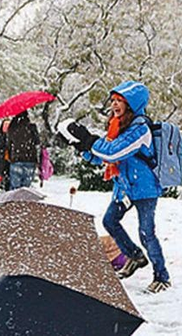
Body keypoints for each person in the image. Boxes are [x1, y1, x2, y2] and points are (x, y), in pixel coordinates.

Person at [65, 80, 171, 293]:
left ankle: (162, 276)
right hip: (124, 186)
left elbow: (113, 152)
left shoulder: (140, 130)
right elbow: (102, 158)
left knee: (146, 232)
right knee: (110, 221)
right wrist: (81, 146)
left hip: (144, 187)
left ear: (132, 104)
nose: (114, 105)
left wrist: (88, 139)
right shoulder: (118, 126)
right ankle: (135, 256)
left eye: (120, 101)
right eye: (113, 100)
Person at [6, 111, 40, 190]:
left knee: (15, 188)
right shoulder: (32, 127)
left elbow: (8, 143)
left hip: (16, 159)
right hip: (30, 159)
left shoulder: (12, 128)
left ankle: (15, 201)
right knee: (26, 189)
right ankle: (24, 201)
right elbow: (37, 141)